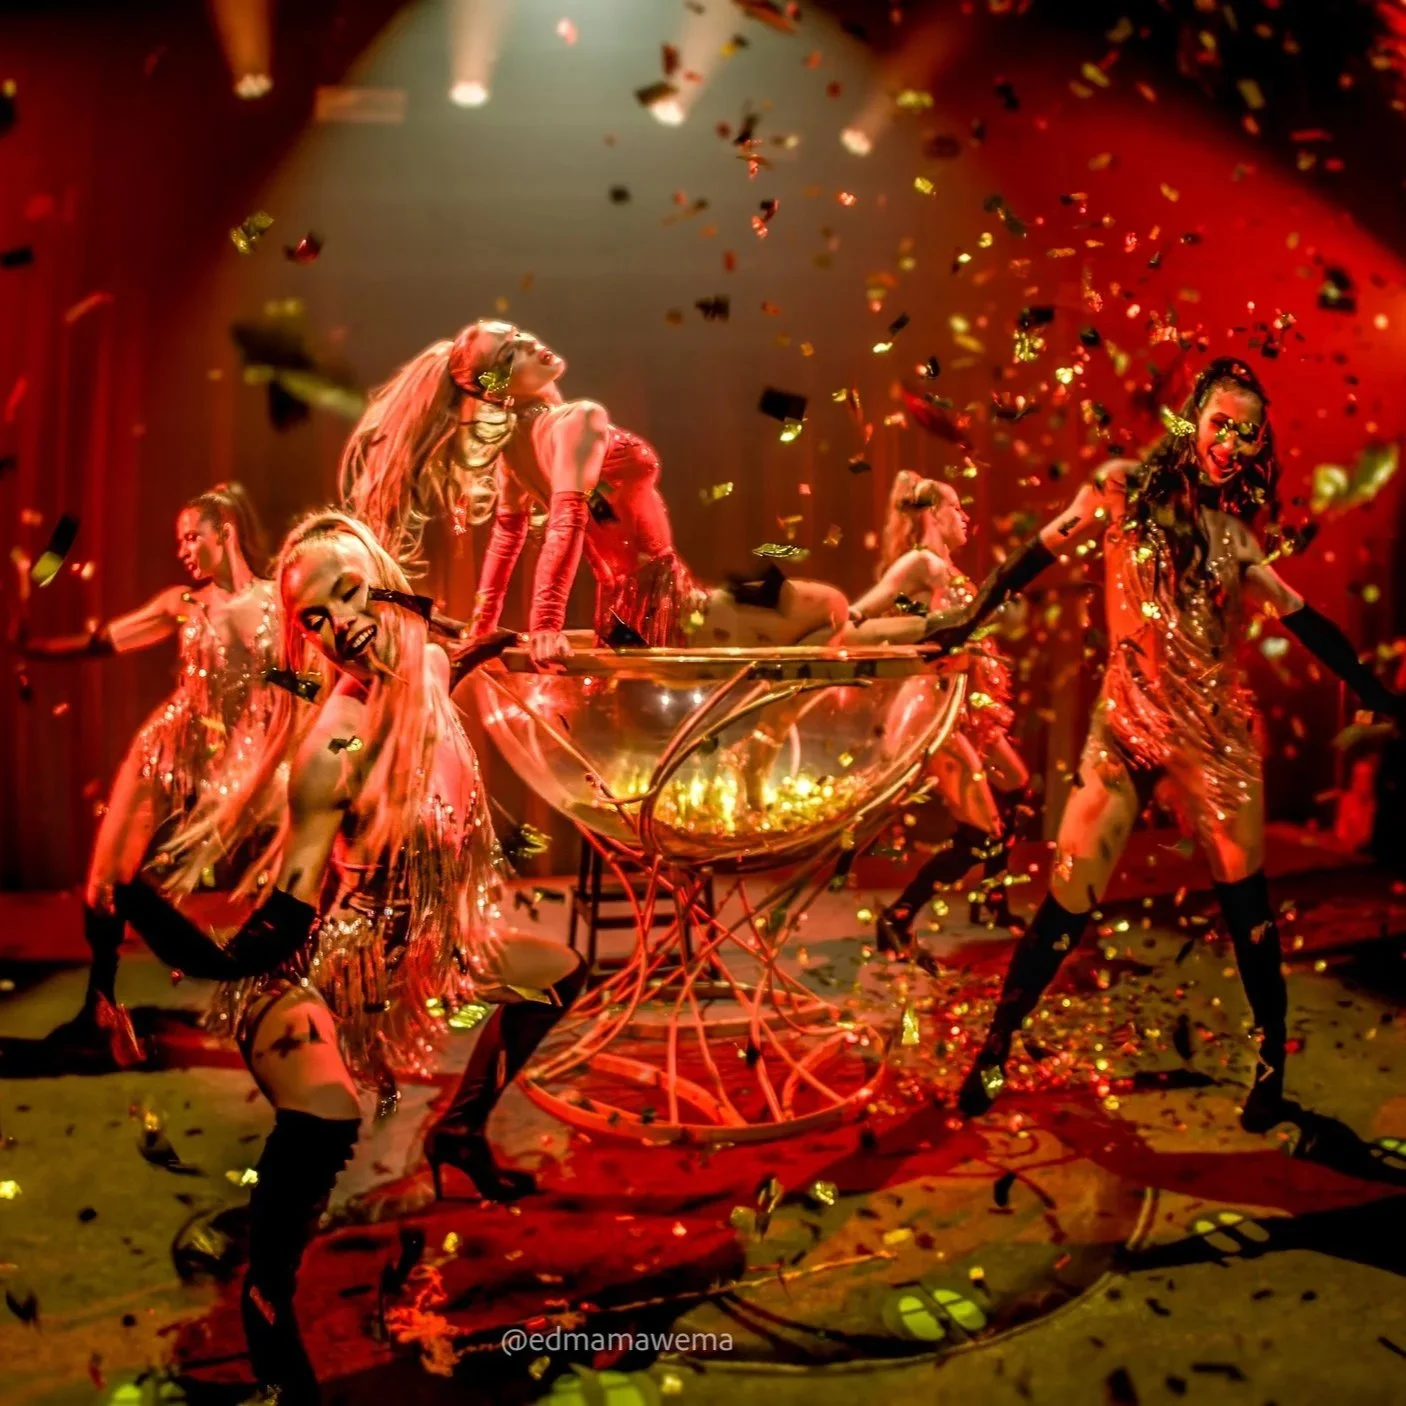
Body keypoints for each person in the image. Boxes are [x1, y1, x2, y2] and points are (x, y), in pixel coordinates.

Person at [111, 511, 586, 1404]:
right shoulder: (332, 746)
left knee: (558, 974)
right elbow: (279, 929)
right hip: (322, 963)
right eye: (314, 618)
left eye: (348, 594)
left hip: (432, 952)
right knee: (326, 1119)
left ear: (385, 581)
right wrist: (157, 919)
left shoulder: (430, 666)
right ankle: (267, 1302)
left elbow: (440, 664)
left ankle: (459, 1129)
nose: (338, 624)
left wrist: (496, 645)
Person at [924, 358, 1404, 1131]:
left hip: (1213, 740)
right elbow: (1037, 554)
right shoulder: (1117, 490)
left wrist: (1378, 693)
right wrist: (969, 620)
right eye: (1223, 424)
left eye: (1249, 433)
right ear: (1192, 420)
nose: (1234, 443)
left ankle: (1271, 1071)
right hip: (1125, 729)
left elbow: (1305, 618)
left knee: (1248, 907)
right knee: (1068, 897)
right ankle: (996, 1049)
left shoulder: (1231, 540)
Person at [339, 321, 863, 663]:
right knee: (832, 607)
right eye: (509, 353)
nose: (529, 344)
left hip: (622, 612)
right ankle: (766, 736)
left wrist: (484, 626)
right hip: (669, 607)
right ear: (497, 387)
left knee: (822, 625)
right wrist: (544, 626)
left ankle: (759, 733)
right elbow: (562, 525)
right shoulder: (579, 420)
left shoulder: (517, 445)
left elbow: (507, 542)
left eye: (519, 334)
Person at [12, 483, 279, 1062]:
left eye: (192, 536)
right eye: (179, 540)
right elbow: (102, 641)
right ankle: (101, 1011)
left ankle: (258, 987)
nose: (183, 550)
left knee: (281, 877)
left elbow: (305, 678)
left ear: (225, 531)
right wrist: (36, 649)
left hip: (244, 759)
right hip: (169, 747)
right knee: (104, 880)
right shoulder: (180, 603)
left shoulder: (279, 602)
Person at [850, 472, 1031, 945]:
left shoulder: (947, 570)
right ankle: (898, 917)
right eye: (956, 508)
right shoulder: (921, 563)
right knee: (986, 830)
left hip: (969, 711)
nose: (965, 517)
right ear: (934, 514)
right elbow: (868, 608)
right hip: (936, 711)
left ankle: (991, 900)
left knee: (1015, 784)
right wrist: (845, 625)